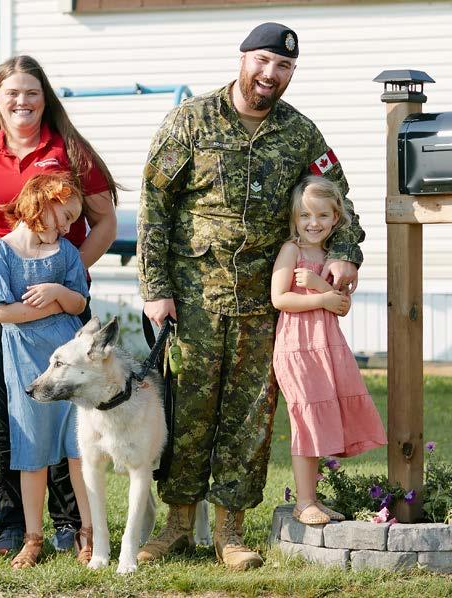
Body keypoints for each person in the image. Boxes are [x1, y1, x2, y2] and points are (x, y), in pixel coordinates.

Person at [136, 22, 366, 569]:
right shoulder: (190, 121)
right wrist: (156, 289)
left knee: (249, 417)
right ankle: (177, 526)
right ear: (242, 59)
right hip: (193, 298)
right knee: (187, 412)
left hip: (266, 303)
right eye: (263, 61)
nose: (271, 73)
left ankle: (231, 532)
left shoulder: (300, 133)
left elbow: (340, 197)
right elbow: (154, 207)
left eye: (283, 66)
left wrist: (344, 253)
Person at [0, 55, 118, 556]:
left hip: (58, 300)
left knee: (66, 401)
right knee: (3, 405)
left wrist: (65, 273)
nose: (22, 101)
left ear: (45, 98)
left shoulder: (70, 151)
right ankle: (15, 526)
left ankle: (70, 523)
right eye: (12, 92)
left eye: (32, 92)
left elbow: (104, 222)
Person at [0, 172, 93, 568]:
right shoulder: (0, 252)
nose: (68, 226)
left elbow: (79, 304)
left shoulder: (66, 253)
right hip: (26, 363)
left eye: (73, 220)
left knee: (79, 450)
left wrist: (58, 293)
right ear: (40, 204)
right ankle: (33, 537)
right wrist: (52, 306)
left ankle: (89, 532)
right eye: (65, 216)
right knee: (32, 453)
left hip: (71, 367)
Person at [271, 176, 387, 525]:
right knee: (306, 420)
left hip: (326, 346)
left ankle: (313, 499)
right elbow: (280, 298)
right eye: (305, 215)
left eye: (322, 215)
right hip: (297, 346)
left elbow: (341, 306)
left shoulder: (333, 258)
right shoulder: (291, 251)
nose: (313, 223)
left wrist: (321, 287)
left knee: (320, 420)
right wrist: (321, 297)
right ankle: (303, 502)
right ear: (295, 218)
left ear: (335, 217)